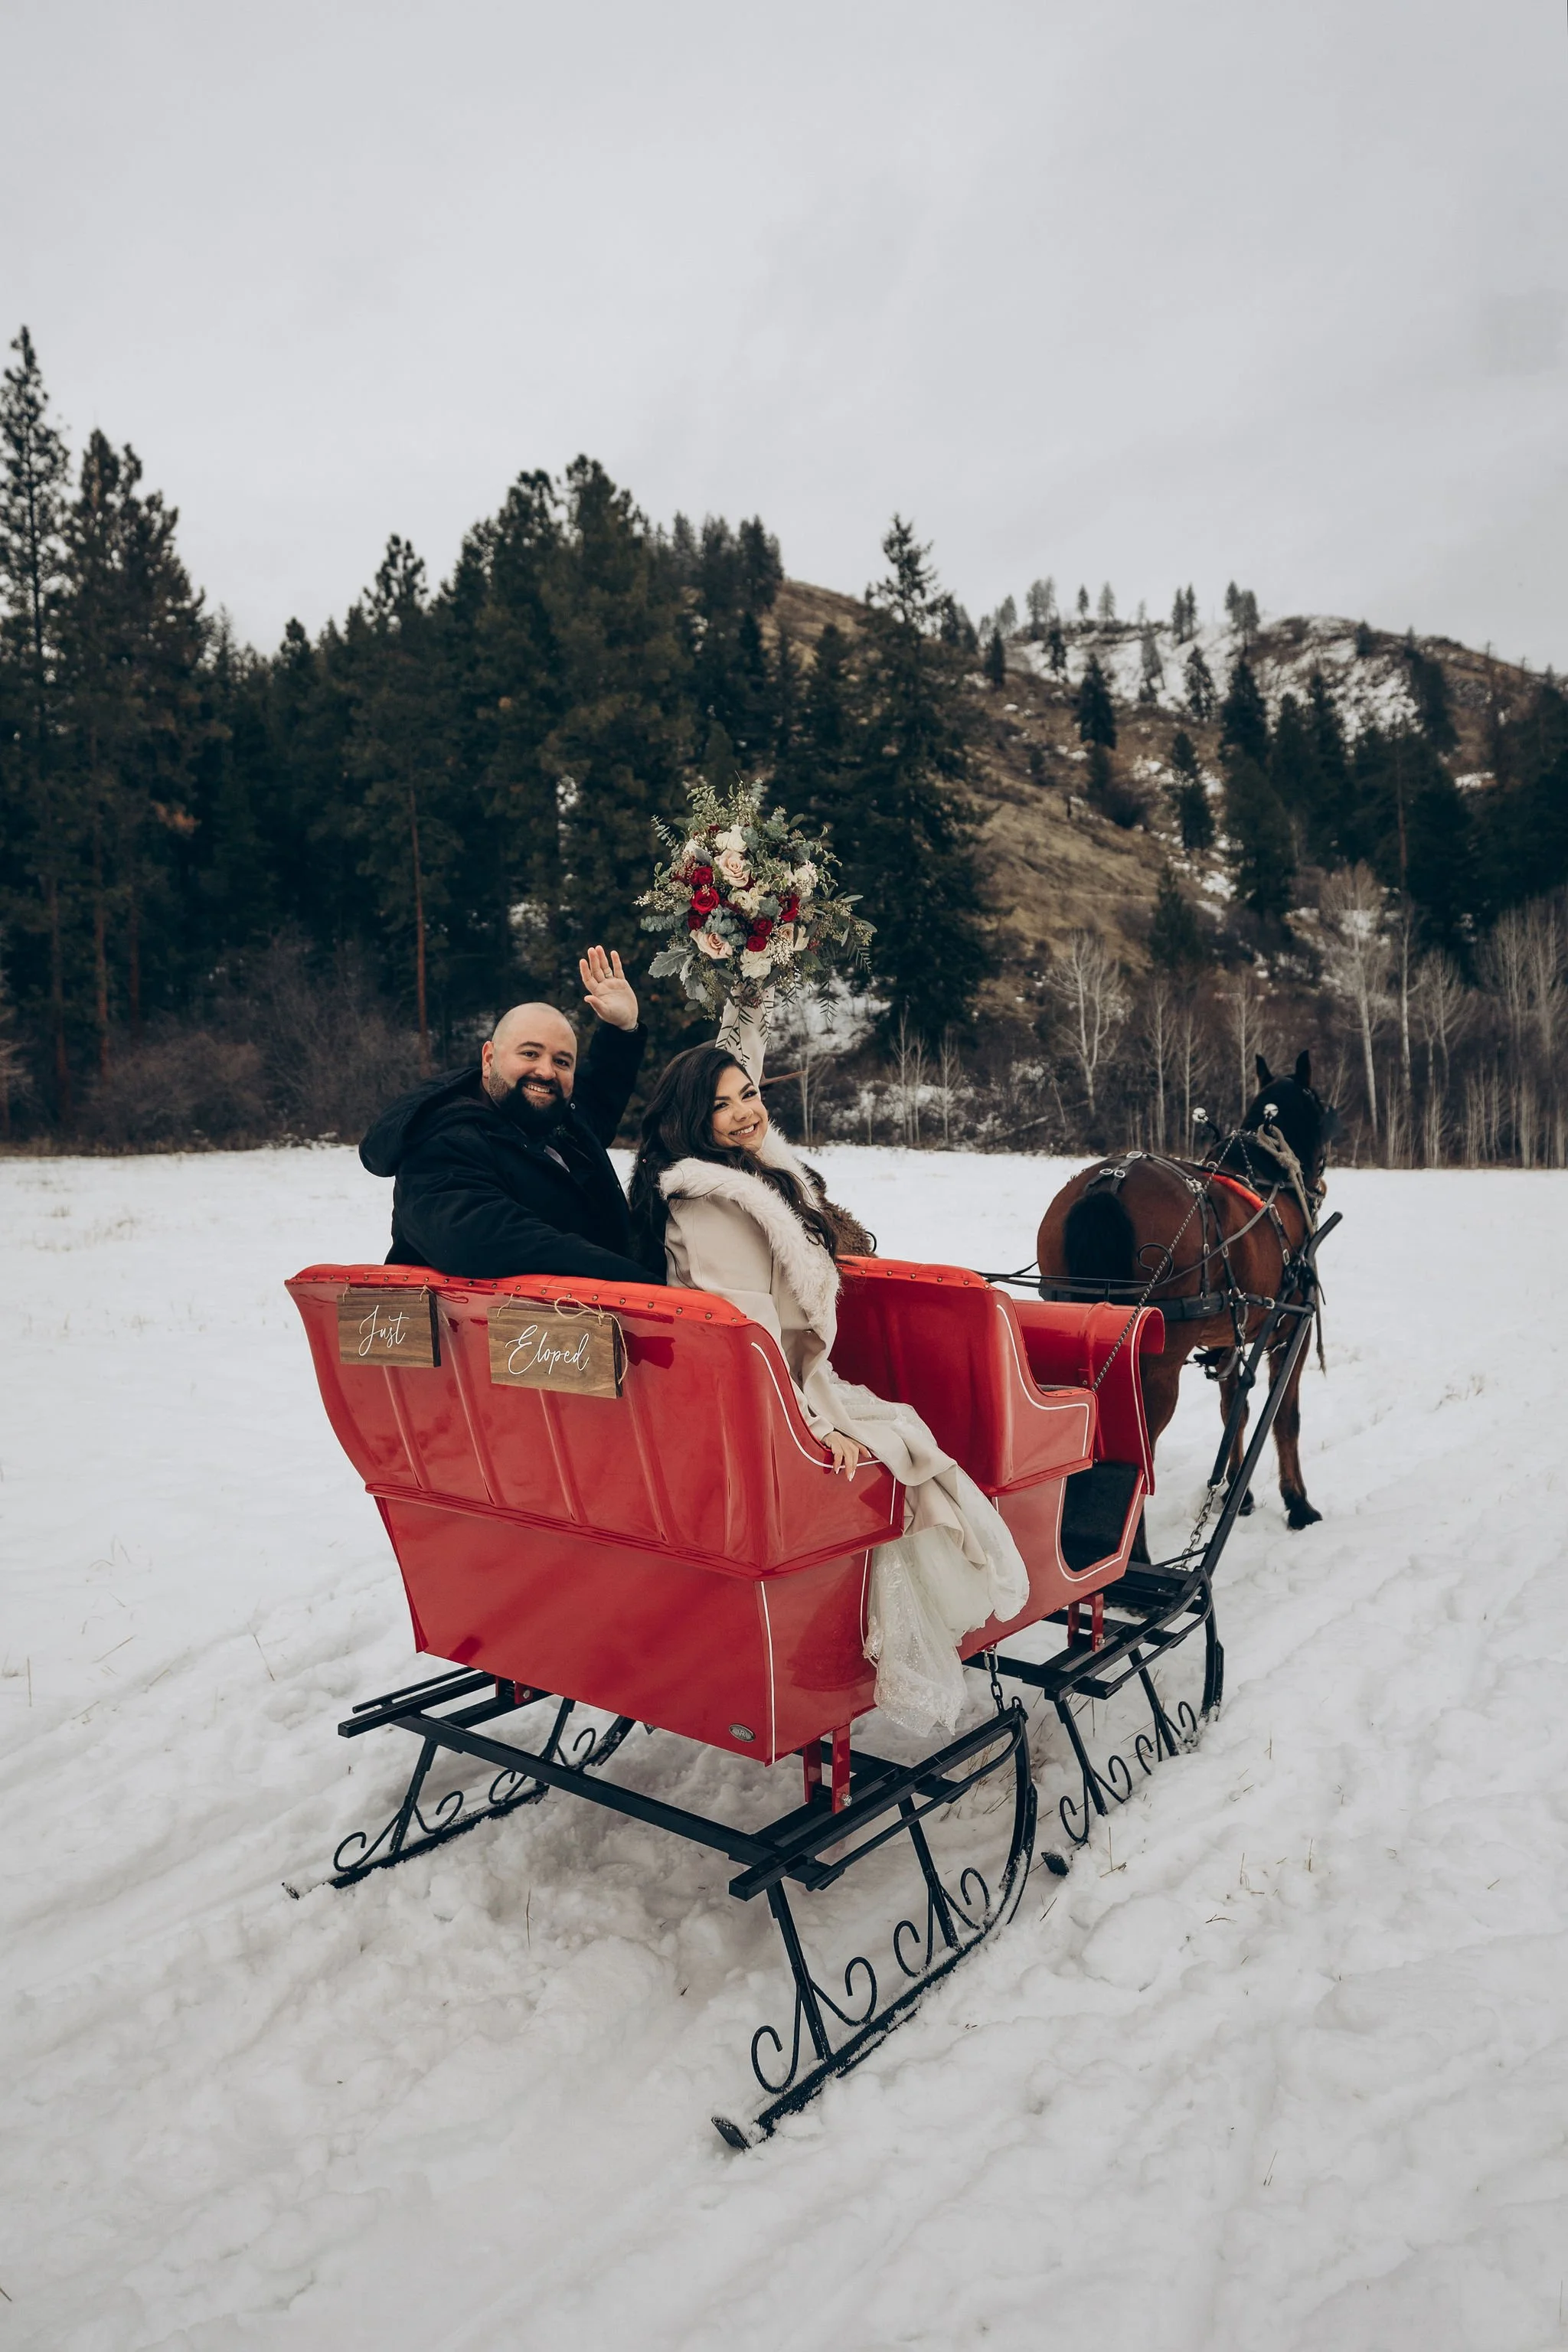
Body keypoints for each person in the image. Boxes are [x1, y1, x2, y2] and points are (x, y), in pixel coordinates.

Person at [627, 1002, 1027, 1731]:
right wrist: (811, 1423)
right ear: (692, 1122)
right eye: (721, 1107)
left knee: (906, 1434)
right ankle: (864, 1650)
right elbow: (741, 1328)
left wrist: (752, 988)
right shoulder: (714, 1204)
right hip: (765, 1395)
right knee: (900, 1447)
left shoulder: (748, 1177)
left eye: (748, 1093)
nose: (744, 1113)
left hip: (789, 1378)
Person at [360, 946, 658, 1285]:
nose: (546, 1072)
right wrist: (634, 1281)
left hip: (584, 1327)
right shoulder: (442, 1142)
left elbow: (601, 1092)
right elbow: (485, 1238)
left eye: (562, 1061)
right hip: (493, 1332)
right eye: (530, 1053)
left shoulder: (561, 1125)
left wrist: (622, 1030)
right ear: (489, 1059)